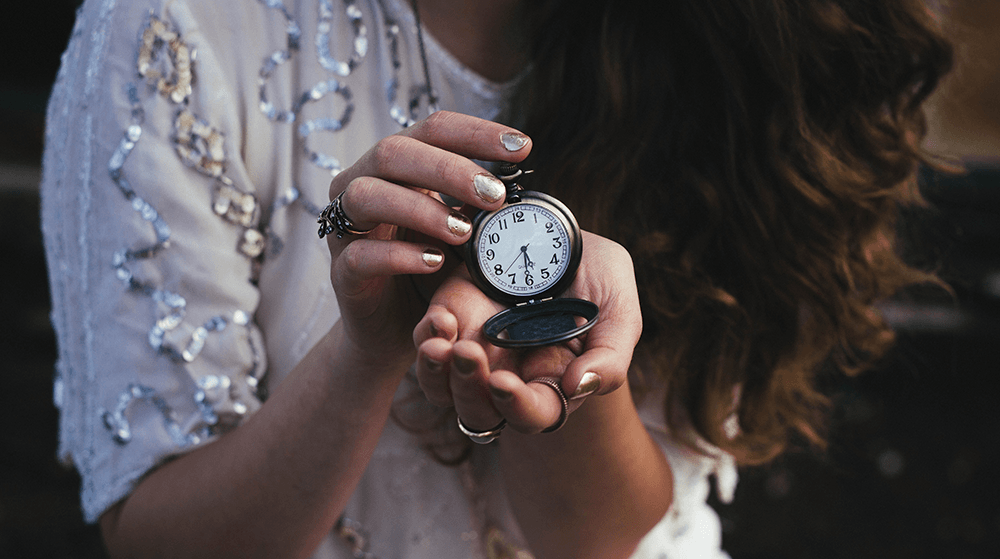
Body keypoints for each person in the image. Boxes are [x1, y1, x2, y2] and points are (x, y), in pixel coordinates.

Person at [40, 0, 952, 557]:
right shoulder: (174, 29)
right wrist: (365, 353)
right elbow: (162, 540)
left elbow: (596, 542)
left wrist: (563, 365)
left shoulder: (742, 54)